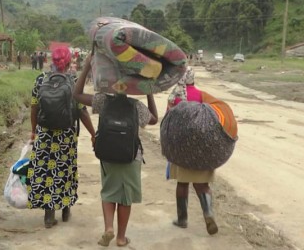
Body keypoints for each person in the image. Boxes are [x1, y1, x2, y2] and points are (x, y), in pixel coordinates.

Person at [73, 53, 158, 247]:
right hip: (130, 156)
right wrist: (149, 91)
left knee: (109, 192)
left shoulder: (103, 101)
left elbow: (76, 95)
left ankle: (108, 228)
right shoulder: (136, 105)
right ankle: (121, 238)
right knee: (125, 197)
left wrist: (86, 66)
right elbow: (154, 119)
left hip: (108, 154)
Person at [27, 46, 96, 229]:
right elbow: (82, 112)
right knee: (64, 171)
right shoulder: (73, 81)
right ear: (67, 62)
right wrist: (93, 133)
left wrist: (33, 131)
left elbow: (34, 107)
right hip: (66, 136)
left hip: (45, 134)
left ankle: (49, 215)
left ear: (52, 61)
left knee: (47, 172)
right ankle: (65, 210)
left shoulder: (41, 79)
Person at [166, 66, 218, 235]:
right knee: (202, 184)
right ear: (193, 78)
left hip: (180, 146)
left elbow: (167, 120)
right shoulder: (202, 95)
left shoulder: (174, 97)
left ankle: (182, 219)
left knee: (182, 182)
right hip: (201, 146)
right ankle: (208, 214)